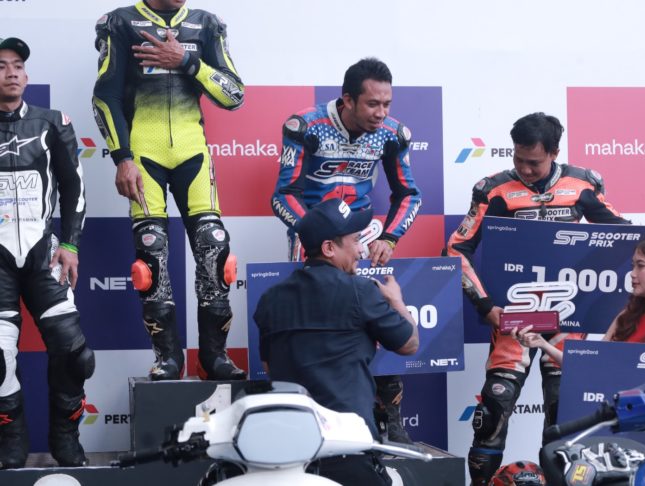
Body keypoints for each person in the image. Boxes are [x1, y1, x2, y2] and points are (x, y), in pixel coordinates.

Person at [443, 112, 645, 485]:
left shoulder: (583, 184)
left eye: (534, 162)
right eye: (518, 159)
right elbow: (456, 249)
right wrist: (486, 306)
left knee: (565, 424)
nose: (525, 169)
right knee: (492, 414)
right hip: (515, 318)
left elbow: (633, 238)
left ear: (554, 153)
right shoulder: (493, 189)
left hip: (567, 320)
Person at [92, 0, 245, 381]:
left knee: (214, 248)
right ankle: (168, 358)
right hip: (144, 153)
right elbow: (105, 96)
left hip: (193, 152)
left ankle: (213, 357)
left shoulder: (206, 24)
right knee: (151, 253)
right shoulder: (121, 21)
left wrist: (187, 61)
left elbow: (234, 95)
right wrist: (122, 157)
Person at [271, 57, 422, 443]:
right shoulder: (306, 126)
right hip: (314, 237)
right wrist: (314, 237)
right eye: (373, 104)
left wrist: (390, 238)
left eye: (387, 104)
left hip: (363, 235)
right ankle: (309, 416)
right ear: (348, 100)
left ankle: (390, 415)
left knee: (378, 317)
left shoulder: (393, 134)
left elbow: (409, 194)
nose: (381, 113)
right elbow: (283, 195)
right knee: (317, 326)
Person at [254, 198, 419, 485]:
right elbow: (409, 344)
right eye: (354, 241)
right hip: (347, 449)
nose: (360, 250)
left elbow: (268, 367)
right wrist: (396, 301)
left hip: (288, 455)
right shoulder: (360, 291)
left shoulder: (270, 299)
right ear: (329, 248)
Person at [0, 37, 93, 468]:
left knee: (74, 353)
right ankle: (11, 443)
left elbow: (74, 186)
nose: (11, 73)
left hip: (43, 255)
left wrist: (70, 244)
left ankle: (65, 439)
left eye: (18, 65)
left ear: (27, 74)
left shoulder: (53, 122)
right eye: (2, 66)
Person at [516, 231, 645, 363]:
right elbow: (591, 366)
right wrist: (543, 344)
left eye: (641, 266)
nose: (632, 274)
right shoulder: (626, 318)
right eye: (633, 266)